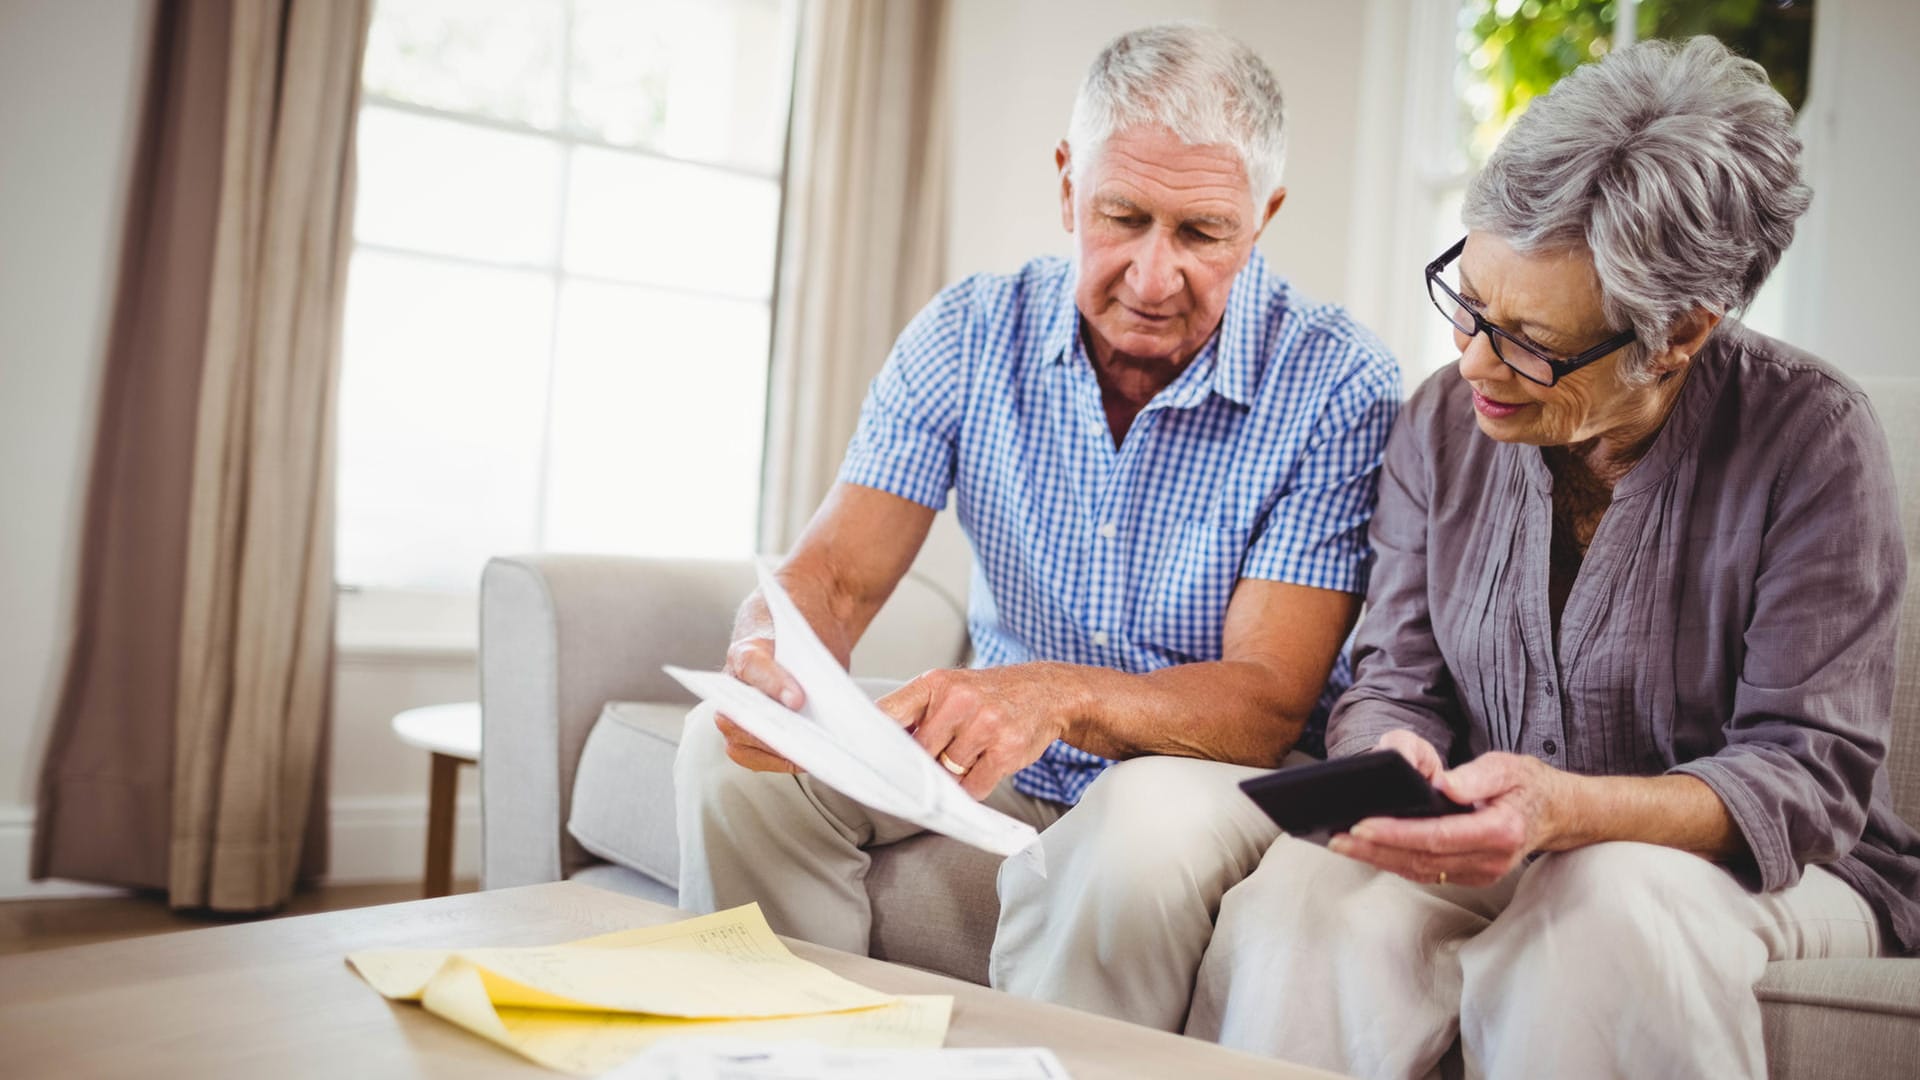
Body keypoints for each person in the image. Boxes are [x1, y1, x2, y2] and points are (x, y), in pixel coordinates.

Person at [1185, 35, 1920, 1079]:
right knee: (1309, 898)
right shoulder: (1442, 423)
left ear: (1677, 335)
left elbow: (1805, 776)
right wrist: (1395, 760)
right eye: (1469, 300)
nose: (1473, 358)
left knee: (1604, 901)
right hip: (1501, 838)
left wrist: (1571, 809)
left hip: (1759, 869)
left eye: (1529, 339)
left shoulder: (1813, 440)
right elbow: (1394, 677)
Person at [673, 24, 1400, 1029]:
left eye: (1202, 234)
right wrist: (769, 651)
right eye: (1123, 217)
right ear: (1068, 187)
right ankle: (787, 1052)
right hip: (1004, 753)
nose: (1153, 277)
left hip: (1208, 771)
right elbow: (834, 577)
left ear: (1263, 215)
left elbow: (1269, 701)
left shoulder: (1339, 382)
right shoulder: (971, 330)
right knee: (724, 756)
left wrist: (1053, 696)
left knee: (1135, 829)